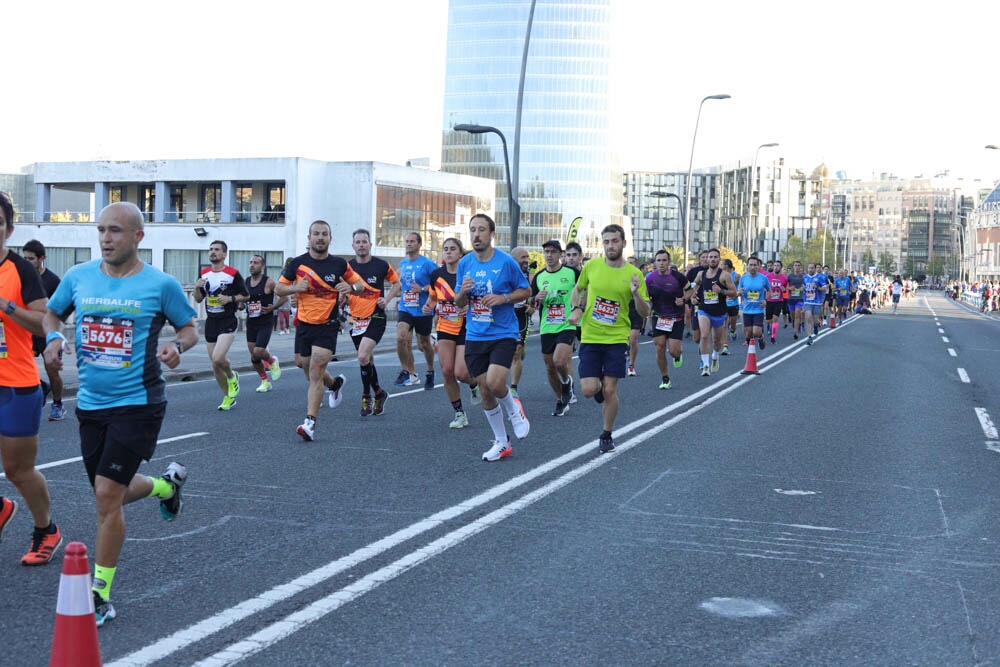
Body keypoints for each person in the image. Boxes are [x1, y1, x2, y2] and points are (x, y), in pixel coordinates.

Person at [42, 201, 198, 627]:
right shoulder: (79, 277)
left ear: (137, 237)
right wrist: (53, 338)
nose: (106, 238)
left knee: (108, 496)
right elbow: (53, 312)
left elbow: (189, 328)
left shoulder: (160, 284)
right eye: (101, 230)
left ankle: (100, 593)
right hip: (91, 405)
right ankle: (166, 488)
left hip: (139, 404)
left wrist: (177, 347)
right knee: (106, 493)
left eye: (114, 231)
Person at [0, 191, 62, 568]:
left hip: (16, 382)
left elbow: (44, 321)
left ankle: (46, 530)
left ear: (8, 227)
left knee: (18, 469)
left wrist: (5, 306)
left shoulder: (20, 270)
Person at [276, 220, 364, 441]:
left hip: (328, 324)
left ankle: (309, 424)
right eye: (316, 234)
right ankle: (335, 384)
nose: (320, 237)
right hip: (304, 324)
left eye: (325, 234)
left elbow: (360, 285)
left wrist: (350, 287)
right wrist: (296, 288)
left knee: (315, 371)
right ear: (309, 238)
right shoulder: (297, 263)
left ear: (330, 239)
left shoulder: (339, 265)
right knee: (303, 365)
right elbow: (279, 288)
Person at [454, 214, 531, 461]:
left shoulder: (506, 262)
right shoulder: (465, 263)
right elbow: (457, 302)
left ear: (491, 234)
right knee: (486, 390)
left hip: (503, 331)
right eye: (472, 230)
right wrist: (463, 293)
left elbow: (526, 290)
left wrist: (504, 298)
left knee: (497, 383)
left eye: (481, 230)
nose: (476, 235)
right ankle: (501, 442)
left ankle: (514, 410)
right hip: (476, 333)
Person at [569, 224, 649, 454]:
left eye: (614, 241)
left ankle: (606, 433)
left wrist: (635, 294)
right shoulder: (592, 267)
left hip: (616, 339)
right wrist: (576, 308)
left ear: (623, 243)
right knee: (588, 389)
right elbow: (578, 289)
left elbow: (645, 313)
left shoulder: (634, 275)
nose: (610, 246)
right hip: (591, 336)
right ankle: (597, 389)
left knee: (610, 390)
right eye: (606, 242)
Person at [424, 237, 477, 428]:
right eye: (445, 248)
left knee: (461, 373)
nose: (448, 252)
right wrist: (428, 306)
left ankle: (473, 384)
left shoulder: (468, 274)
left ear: (460, 253)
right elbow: (433, 296)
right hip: (445, 326)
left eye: (453, 248)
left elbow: (477, 298)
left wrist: (467, 306)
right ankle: (459, 413)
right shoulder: (436, 274)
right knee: (447, 371)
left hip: (465, 327)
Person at [193, 240, 248, 410]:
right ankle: (228, 397)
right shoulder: (204, 273)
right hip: (211, 321)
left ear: (224, 254)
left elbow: (245, 296)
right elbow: (198, 298)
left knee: (218, 358)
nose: (212, 252)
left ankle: (232, 377)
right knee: (215, 365)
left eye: (216, 250)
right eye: (210, 249)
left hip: (227, 320)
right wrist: (197, 287)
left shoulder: (232, 274)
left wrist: (230, 299)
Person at [347, 229, 397, 417]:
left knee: (362, 357)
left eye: (364, 241)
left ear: (370, 244)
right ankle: (379, 392)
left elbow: (396, 283)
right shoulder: (347, 268)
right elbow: (339, 287)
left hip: (376, 317)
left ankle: (367, 394)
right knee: (367, 359)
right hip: (356, 319)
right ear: (353, 245)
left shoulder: (381, 265)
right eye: (358, 242)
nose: (361, 245)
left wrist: (388, 298)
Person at [531, 239, 578, 416]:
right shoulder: (539, 276)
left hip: (566, 324)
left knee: (559, 361)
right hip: (547, 326)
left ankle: (566, 382)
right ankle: (561, 400)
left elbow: (584, 289)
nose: (549, 255)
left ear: (560, 254)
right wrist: (536, 298)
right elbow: (531, 300)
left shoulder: (572, 273)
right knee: (550, 367)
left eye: (553, 252)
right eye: (546, 252)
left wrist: (579, 307)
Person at [21, 239, 66, 420]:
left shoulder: (53, 280)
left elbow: (61, 310)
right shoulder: (22, 276)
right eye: (24, 258)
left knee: (51, 370)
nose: (27, 262)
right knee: (24, 368)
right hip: (28, 332)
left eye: (30, 259)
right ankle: (41, 386)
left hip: (48, 333)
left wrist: (56, 336)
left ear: (42, 259)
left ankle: (57, 404)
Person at [387, 233, 437, 389]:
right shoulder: (402, 264)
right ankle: (408, 372)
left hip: (423, 309)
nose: (408, 244)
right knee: (401, 338)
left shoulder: (427, 264)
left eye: (412, 241)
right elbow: (398, 283)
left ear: (419, 244)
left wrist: (422, 288)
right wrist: (397, 295)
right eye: (407, 241)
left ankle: (430, 370)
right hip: (406, 307)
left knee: (423, 344)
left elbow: (439, 284)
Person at [645, 249, 690, 390]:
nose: (661, 263)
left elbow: (690, 290)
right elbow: (646, 296)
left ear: (669, 262)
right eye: (659, 260)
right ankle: (665, 378)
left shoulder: (678, 277)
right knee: (659, 347)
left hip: (676, 317)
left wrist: (683, 299)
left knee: (673, 351)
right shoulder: (650, 278)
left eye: (664, 260)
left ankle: (677, 354)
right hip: (659, 317)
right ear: (655, 263)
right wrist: (648, 306)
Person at [690, 248, 738, 375]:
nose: (712, 259)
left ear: (719, 259)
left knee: (717, 341)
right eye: (710, 257)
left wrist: (721, 291)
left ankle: (715, 357)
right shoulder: (701, 274)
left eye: (715, 257)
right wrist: (692, 297)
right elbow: (693, 287)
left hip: (719, 312)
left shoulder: (724, 275)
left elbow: (734, 293)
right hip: (703, 310)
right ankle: (705, 365)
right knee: (704, 335)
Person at [244, 254, 285, 393]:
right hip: (251, 322)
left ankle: (272, 361)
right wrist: (240, 305)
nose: (252, 265)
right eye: (250, 262)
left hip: (265, 322)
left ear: (262, 266)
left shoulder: (269, 282)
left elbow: (284, 297)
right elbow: (243, 300)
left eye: (256, 262)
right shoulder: (246, 281)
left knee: (259, 350)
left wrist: (273, 307)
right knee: (254, 356)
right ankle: (265, 380)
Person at [509, 247, 534, 397]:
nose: (526, 260)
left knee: (516, 353)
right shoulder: (504, 273)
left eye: (527, 257)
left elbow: (536, 293)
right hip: (504, 316)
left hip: (520, 317)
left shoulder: (529, 275)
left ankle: (513, 387)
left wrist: (532, 306)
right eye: (523, 257)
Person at [737, 257, 769, 349]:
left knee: (756, 332)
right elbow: (739, 291)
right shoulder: (743, 278)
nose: (753, 267)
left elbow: (769, 290)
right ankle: (750, 341)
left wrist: (765, 300)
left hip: (759, 309)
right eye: (751, 265)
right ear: (747, 266)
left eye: (755, 265)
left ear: (758, 266)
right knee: (748, 333)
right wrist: (739, 292)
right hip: (747, 309)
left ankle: (760, 337)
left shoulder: (763, 278)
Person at [685, 250, 710, 348]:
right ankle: (702, 346)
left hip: (711, 304)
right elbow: (687, 286)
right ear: (699, 259)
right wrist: (691, 297)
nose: (705, 259)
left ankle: (706, 353)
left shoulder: (715, 272)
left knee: (705, 333)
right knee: (696, 338)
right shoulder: (693, 272)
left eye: (707, 257)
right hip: (696, 304)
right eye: (703, 257)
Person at [802, 262, 829, 345]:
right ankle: (809, 337)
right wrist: (802, 288)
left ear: (815, 269)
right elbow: (802, 287)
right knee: (808, 317)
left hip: (817, 302)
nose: (810, 269)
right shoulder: (804, 277)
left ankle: (816, 326)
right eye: (809, 268)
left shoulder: (820, 277)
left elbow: (825, 289)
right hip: (807, 301)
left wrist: (817, 287)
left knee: (816, 320)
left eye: (812, 268)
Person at [764, 259, 788, 346]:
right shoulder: (768, 276)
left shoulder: (784, 278)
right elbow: (765, 287)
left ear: (781, 268)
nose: (776, 267)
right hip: (769, 300)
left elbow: (785, 290)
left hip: (779, 301)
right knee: (768, 320)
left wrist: (783, 289)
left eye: (778, 266)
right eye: (775, 265)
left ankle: (773, 337)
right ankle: (771, 328)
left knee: (775, 318)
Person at [722, 257, 740, 352]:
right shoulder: (720, 276)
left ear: (727, 265)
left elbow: (741, 287)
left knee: (732, 324)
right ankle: (725, 346)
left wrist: (736, 294)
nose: (721, 265)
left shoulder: (736, 276)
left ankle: (733, 331)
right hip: (724, 304)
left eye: (722, 264)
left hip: (733, 303)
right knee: (725, 324)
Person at [787, 260, 805, 339]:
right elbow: (785, 286)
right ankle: (796, 323)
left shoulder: (803, 277)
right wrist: (789, 288)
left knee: (798, 312)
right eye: (795, 265)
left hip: (800, 298)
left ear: (800, 267)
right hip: (791, 298)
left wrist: (803, 288)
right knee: (792, 315)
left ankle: (795, 332)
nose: (797, 267)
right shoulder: (789, 276)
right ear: (793, 267)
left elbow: (807, 285)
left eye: (798, 265)